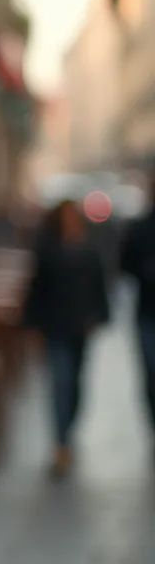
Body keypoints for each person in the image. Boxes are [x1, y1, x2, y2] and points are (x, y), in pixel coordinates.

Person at [22, 199, 110, 476]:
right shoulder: (47, 252)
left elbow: (99, 287)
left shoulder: (88, 250)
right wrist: (33, 325)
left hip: (80, 327)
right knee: (61, 381)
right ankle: (61, 441)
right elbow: (36, 290)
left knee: (75, 383)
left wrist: (100, 317)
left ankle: (68, 429)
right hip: (55, 327)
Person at [119, 175, 155, 442]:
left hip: (146, 312)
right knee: (151, 374)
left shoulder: (138, 227)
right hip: (147, 312)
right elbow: (125, 263)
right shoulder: (140, 228)